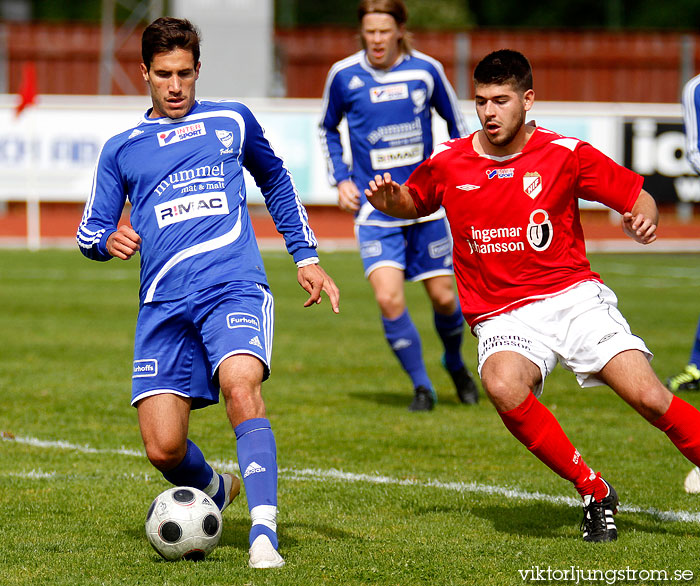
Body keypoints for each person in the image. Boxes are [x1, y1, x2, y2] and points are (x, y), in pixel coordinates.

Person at [365, 48, 700, 542]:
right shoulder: (450, 161)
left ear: (527, 99)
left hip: (573, 298)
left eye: (500, 100)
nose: (489, 112)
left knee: (651, 398)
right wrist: (392, 203)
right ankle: (593, 490)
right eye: (481, 101)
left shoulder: (564, 152)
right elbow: (414, 200)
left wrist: (643, 216)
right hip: (503, 316)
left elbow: (637, 194)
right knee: (501, 384)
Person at [77, 17, 339, 568]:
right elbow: (90, 228)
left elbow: (276, 179)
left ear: (199, 71)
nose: (176, 86)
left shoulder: (230, 121)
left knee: (240, 387)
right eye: (165, 74)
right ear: (144, 72)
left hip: (233, 285)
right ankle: (217, 489)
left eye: (186, 74)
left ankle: (264, 534)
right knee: (163, 448)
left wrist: (306, 255)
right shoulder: (121, 148)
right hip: (163, 305)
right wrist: (107, 239)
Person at [319, 0, 478, 411]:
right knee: (389, 299)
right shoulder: (343, 75)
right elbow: (327, 128)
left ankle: (455, 363)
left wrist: (459, 178)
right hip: (375, 211)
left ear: (400, 30)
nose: (376, 40)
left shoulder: (426, 70)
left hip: (425, 206)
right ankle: (422, 386)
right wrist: (340, 178)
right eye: (369, 32)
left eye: (384, 32)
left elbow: (458, 129)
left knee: (445, 299)